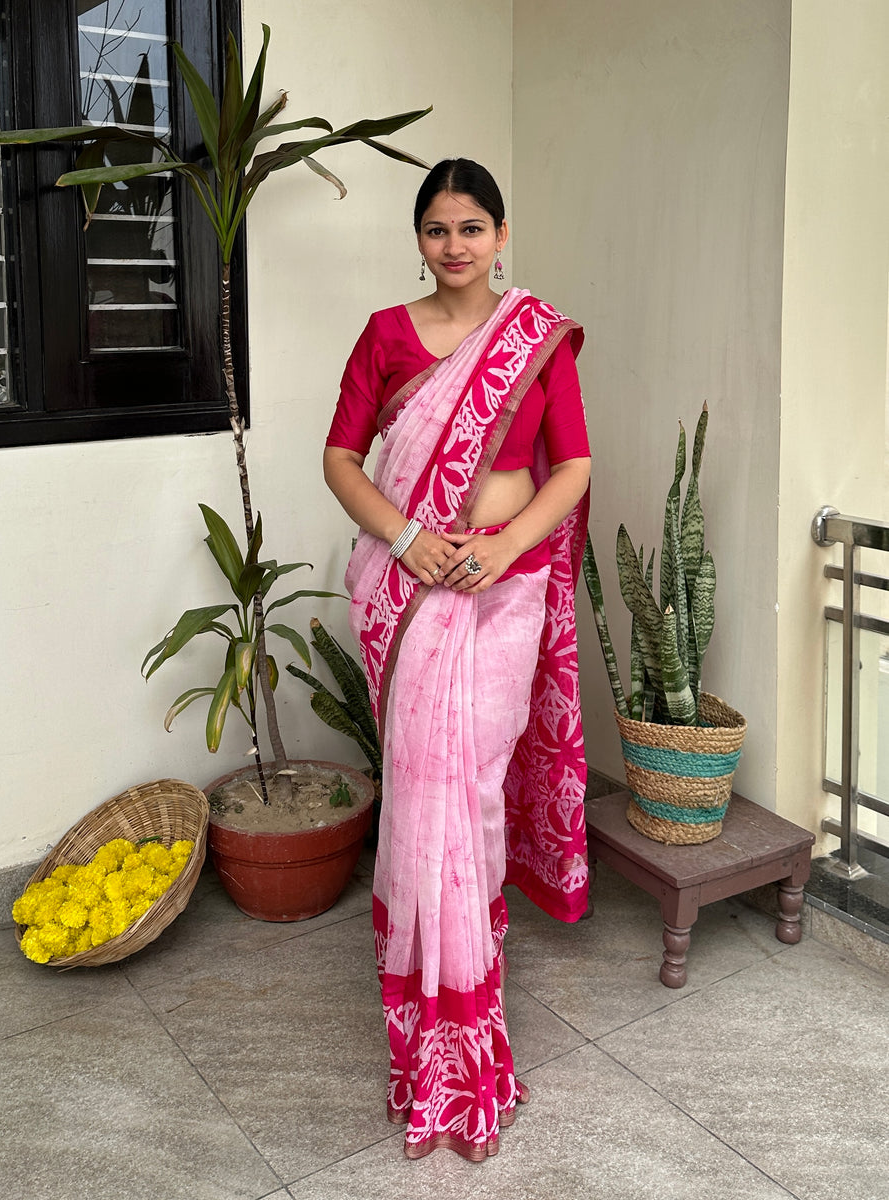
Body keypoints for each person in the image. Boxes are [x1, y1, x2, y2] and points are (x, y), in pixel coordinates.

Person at [323, 158, 592, 1162]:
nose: (455, 246)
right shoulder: (386, 336)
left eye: (472, 227)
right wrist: (405, 539)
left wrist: (507, 545)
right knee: (421, 795)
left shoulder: (535, 336)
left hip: (502, 589)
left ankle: (473, 1042)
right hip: (411, 587)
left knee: (469, 796)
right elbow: (340, 459)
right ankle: (423, 1050)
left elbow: (572, 465)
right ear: (419, 240)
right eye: (437, 229)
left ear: (502, 235)